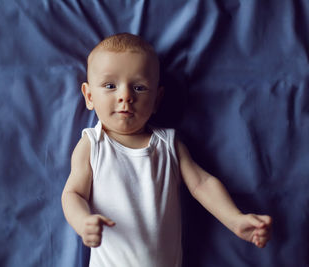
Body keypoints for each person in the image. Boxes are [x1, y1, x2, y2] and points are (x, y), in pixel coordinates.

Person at [61, 33, 272, 267]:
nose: (125, 96)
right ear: (89, 96)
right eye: (110, 86)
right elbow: (73, 194)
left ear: (157, 100)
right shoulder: (93, 144)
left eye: (139, 88)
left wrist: (234, 219)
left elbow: (202, 183)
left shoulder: (169, 144)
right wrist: (82, 222)